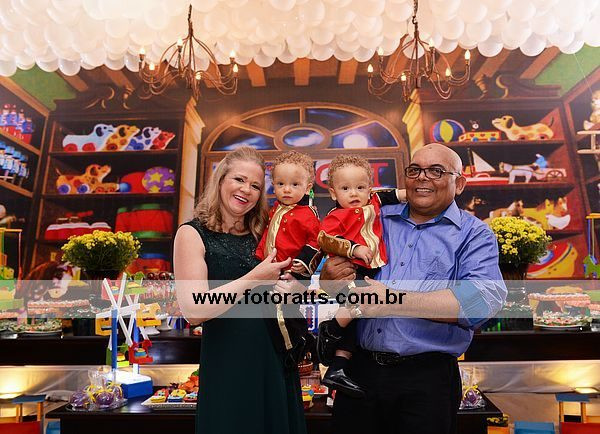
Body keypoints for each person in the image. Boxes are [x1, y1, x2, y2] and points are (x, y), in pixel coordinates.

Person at [319, 143, 507, 434]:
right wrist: (329, 280)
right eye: (415, 170)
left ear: (459, 184)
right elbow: (337, 283)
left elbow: (482, 301)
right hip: (359, 372)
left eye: (436, 171)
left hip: (426, 380)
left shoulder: (474, 234)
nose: (422, 177)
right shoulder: (374, 217)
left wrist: (391, 300)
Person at [174, 146, 307, 434]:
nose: (246, 190)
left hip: (275, 359)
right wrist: (255, 277)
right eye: (239, 179)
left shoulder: (266, 232)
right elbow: (193, 309)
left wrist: (293, 287)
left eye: (256, 186)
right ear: (221, 179)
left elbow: (295, 286)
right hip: (228, 363)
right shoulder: (192, 234)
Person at [315, 154, 405, 398]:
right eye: (345, 189)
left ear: (370, 189)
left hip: (371, 267)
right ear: (333, 193)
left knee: (358, 322)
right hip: (353, 268)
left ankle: (337, 367)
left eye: (360, 187)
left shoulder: (374, 201)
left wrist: (412, 193)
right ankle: (331, 328)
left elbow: (395, 195)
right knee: (360, 305)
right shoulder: (335, 216)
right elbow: (326, 239)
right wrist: (353, 249)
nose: (354, 193)